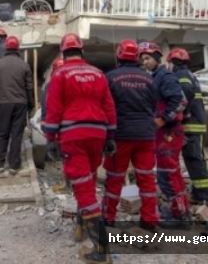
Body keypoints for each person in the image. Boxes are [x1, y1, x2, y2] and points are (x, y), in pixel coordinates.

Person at [44, 33, 116, 263]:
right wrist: (111, 135)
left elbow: (53, 108)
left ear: (64, 52)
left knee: (83, 189)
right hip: (98, 134)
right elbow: (109, 106)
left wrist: (50, 138)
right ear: (81, 51)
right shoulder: (98, 73)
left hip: (73, 135)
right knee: (88, 182)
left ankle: (102, 251)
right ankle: (81, 228)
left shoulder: (60, 74)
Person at [103, 40, 160, 231]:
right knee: (146, 179)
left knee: (114, 178)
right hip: (145, 135)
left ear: (119, 55)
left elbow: (106, 107)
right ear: (136, 56)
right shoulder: (149, 79)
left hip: (120, 135)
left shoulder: (110, 78)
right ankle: (150, 220)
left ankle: (108, 217)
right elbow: (153, 106)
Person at [139, 41, 190, 229]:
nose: (145, 62)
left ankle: (180, 217)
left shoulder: (165, 76)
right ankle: (182, 212)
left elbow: (180, 101)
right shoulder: (155, 76)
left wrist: (162, 119)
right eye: (142, 59)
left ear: (157, 57)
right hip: (164, 132)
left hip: (169, 132)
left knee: (168, 174)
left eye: (147, 58)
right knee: (170, 172)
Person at [166, 47, 208, 207]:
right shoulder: (190, 75)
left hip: (192, 125)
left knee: (195, 161)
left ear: (172, 62)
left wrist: (183, 112)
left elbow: (185, 91)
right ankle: (198, 194)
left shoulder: (180, 75)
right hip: (196, 124)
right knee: (194, 160)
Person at [0, 35, 33, 175]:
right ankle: (14, 165)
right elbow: (29, 87)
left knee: (2, 134)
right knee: (16, 135)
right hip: (20, 104)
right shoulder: (24, 65)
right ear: (17, 48)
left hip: (3, 103)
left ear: (6, 48)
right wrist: (30, 104)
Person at [40, 58, 64, 161]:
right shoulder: (73, 81)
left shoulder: (50, 85)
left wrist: (44, 119)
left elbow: (46, 104)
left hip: (56, 120)